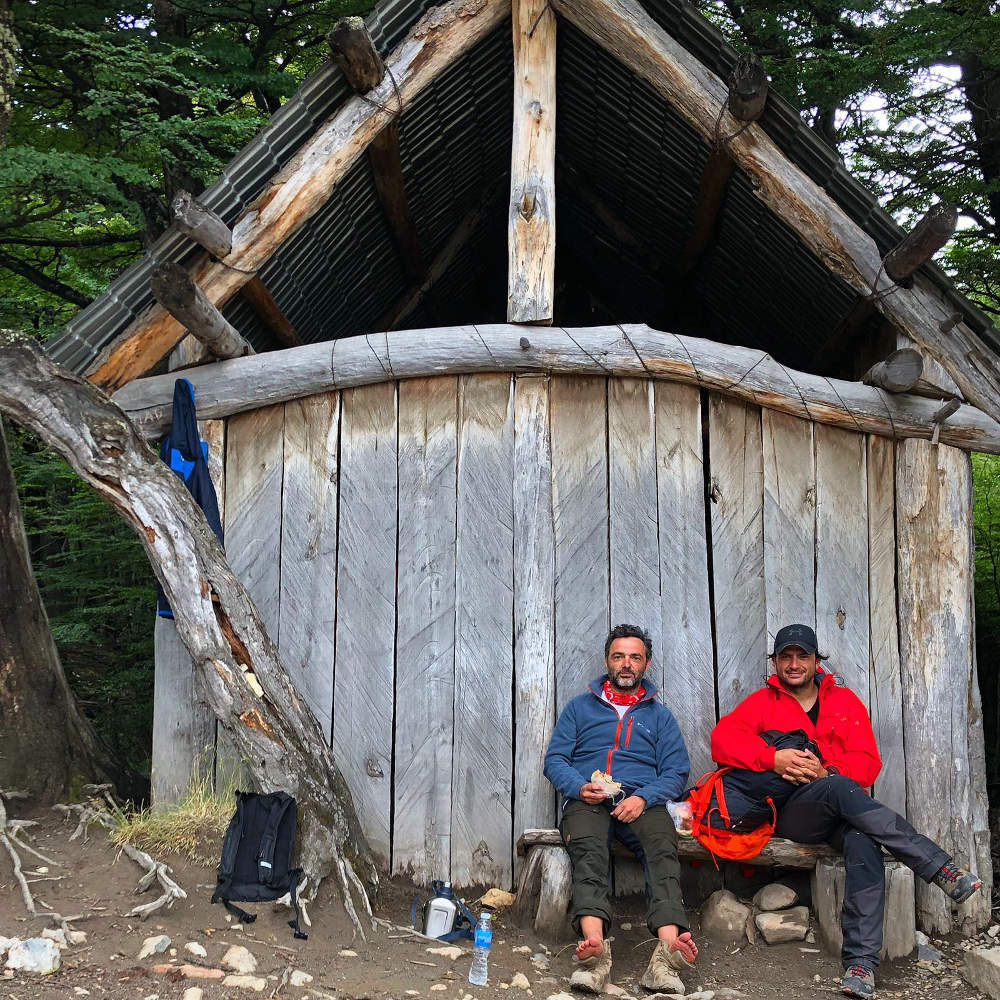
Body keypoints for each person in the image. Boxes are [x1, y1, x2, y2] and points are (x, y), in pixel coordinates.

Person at [710, 622, 982, 1000]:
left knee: (863, 840)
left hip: (844, 812)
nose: (793, 664)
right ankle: (940, 868)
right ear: (774, 662)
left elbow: (868, 763)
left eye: (801, 656)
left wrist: (827, 772)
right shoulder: (762, 703)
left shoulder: (844, 702)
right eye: (785, 657)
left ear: (815, 661)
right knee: (840, 791)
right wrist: (772, 758)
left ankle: (861, 966)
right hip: (791, 813)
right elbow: (722, 741)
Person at [544, 623, 698, 994]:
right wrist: (579, 786)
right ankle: (595, 952)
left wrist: (644, 797)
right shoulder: (580, 708)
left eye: (635, 657)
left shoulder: (659, 716)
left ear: (646, 664)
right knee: (588, 849)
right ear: (607, 661)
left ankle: (666, 956)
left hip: (640, 799)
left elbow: (676, 770)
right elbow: (555, 759)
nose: (626, 664)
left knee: (662, 846)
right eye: (619, 656)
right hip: (589, 798)